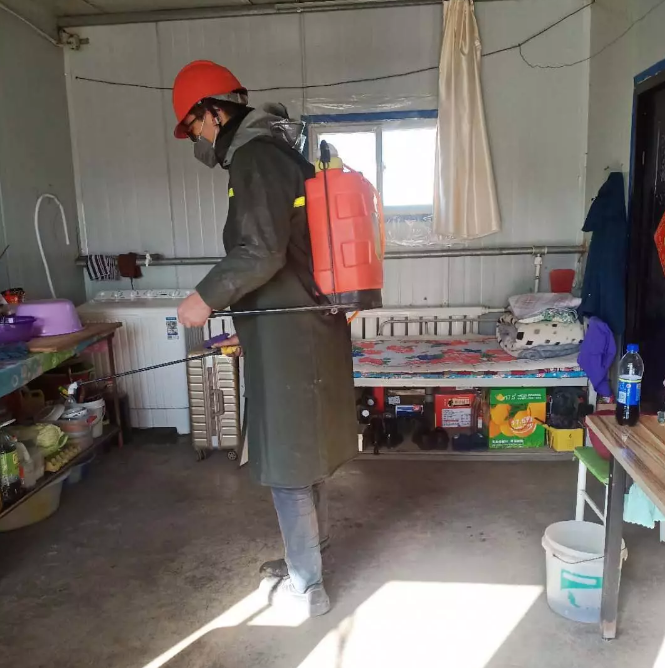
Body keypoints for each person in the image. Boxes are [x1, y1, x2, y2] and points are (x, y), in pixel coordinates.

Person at [173, 60, 357, 617]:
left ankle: (307, 587)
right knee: (306, 454)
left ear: (214, 112)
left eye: (194, 125)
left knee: (287, 461)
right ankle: (311, 557)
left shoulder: (255, 157)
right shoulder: (283, 153)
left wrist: (204, 298)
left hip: (287, 336)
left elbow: (259, 251)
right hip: (308, 326)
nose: (197, 138)